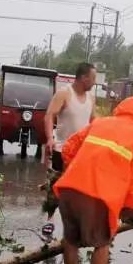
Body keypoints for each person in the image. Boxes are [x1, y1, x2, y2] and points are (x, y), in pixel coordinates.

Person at [53, 96, 133, 264]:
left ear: (119, 110)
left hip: (68, 189)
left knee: (70, 239)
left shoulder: (100, 122)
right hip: (98, 197)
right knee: (102, 242)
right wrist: (128, 207)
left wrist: (74, 171)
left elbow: (68, 147)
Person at [41, 63, 96, 235]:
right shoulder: (65, 94)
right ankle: (49, 219)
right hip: (62, 150)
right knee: (55, 186)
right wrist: (50, 138)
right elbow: (49, 115)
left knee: (79, 189)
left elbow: (93, 121)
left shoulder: (91, 99)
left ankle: (76, 223)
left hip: (82, 153)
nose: (94, 82)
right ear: (83, 77)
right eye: (93, 78)